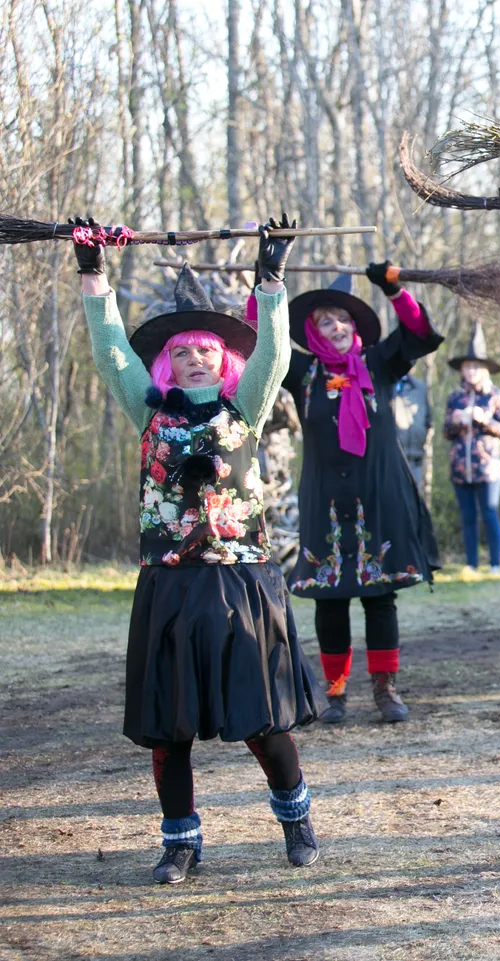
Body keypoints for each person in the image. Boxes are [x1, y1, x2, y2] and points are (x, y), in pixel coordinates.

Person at [77, 217, 319, 883]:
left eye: (206, 350)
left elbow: (273, 354)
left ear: (224, 360)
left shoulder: (245, 407)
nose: (195, 359)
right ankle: (180, 841)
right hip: (171, 583)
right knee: (169, 729)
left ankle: (295, 817)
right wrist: (92, 273)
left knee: (262, 721)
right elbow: (110, 351)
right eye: (183, 352)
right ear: (166, 364)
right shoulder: (148, 410)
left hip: (242, 580)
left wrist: (271, 279)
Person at [281, 265, 444, 725]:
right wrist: (267, 276)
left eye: (343, 320)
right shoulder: (303, 373)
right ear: (312, 331)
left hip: (380, 495)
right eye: (326, 321)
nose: (337, 327)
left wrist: (393, 291)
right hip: (325, 500)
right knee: (330, 597)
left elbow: (419, 332)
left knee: (380, 594)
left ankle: (385, 690)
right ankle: (334, 694)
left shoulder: (379, 362)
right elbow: (259, 346)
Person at [445, 327, 500, 574]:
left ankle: (495, 564)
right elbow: (445, 431)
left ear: (484, 370)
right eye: (467, 367)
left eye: (476, 367)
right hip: (461, 467)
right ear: (462, 370)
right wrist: (456, 422)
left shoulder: (495, 396)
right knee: (468, 517)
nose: (471, 371)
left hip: (488, 468)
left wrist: (484, 421)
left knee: (490, 514)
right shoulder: (455, 398)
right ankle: (471, 564)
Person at [392, 371, 432, 492]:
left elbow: (428, 421)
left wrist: (423, 443)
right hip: (388, 462)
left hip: (414, 462)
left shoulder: (420, 388)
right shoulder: (379, 384)